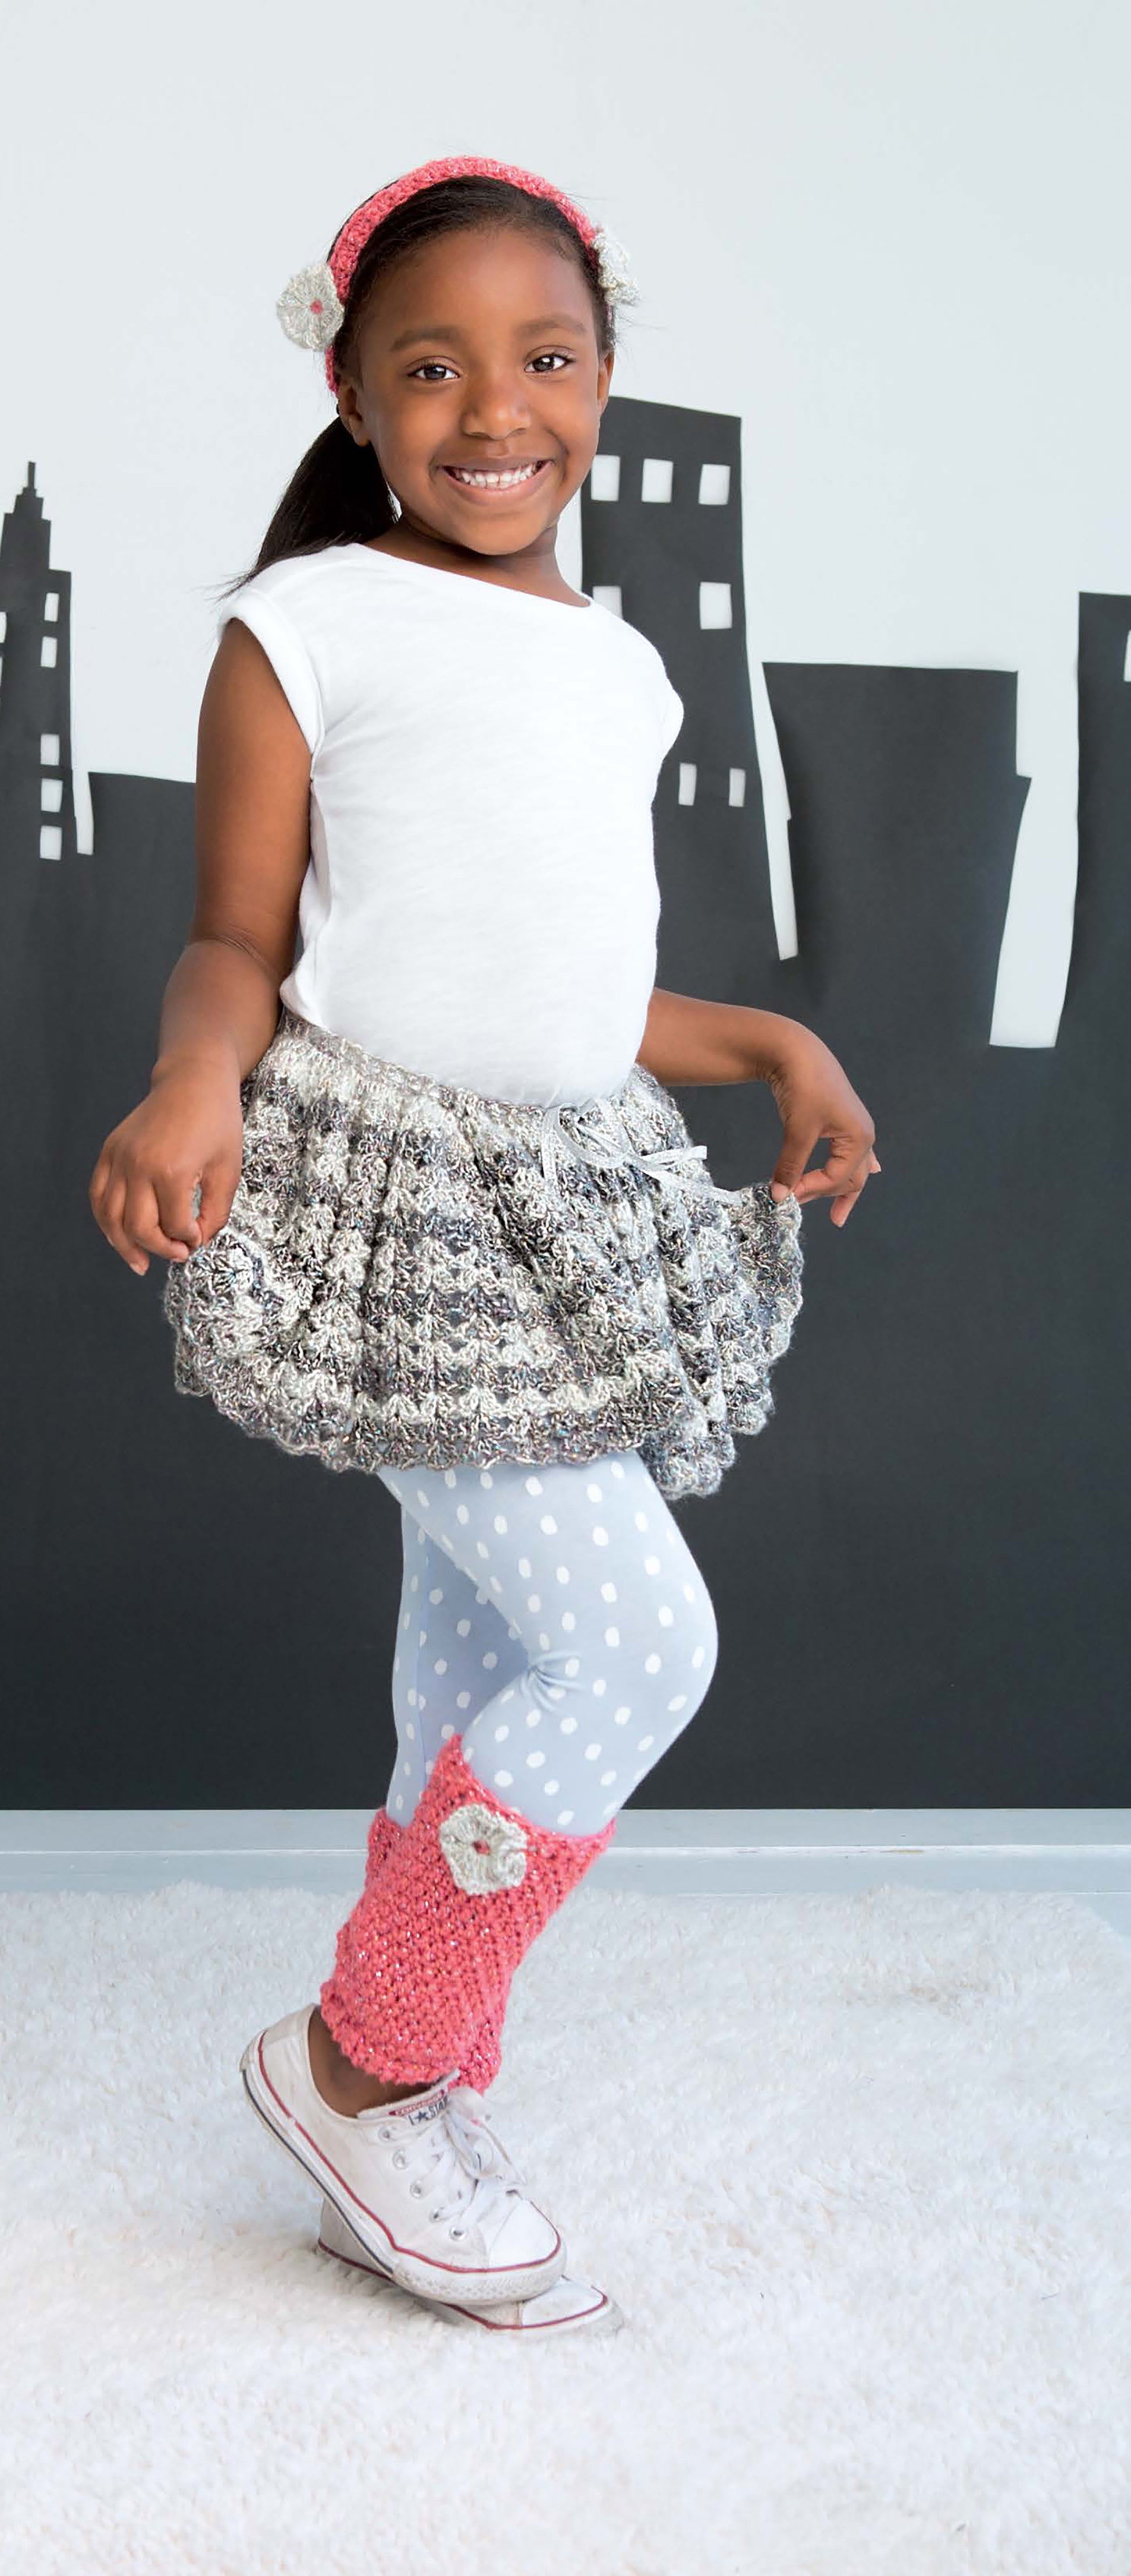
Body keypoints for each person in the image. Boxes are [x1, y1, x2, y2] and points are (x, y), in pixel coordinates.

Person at [88, 155, 879, 2337]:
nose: (492, 406)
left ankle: (410, 2081)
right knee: (638, 1646)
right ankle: (360, 2062)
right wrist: (189, 1083)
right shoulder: (306, 626)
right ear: (352, 390)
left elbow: (564, 980)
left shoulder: (619, 665)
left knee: (466, 1662)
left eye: (544, 357)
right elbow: (242, 938)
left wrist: (770, 1036)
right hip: (402, 1204)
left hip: (573, 1190)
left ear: (606, 380)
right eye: (430, 367)